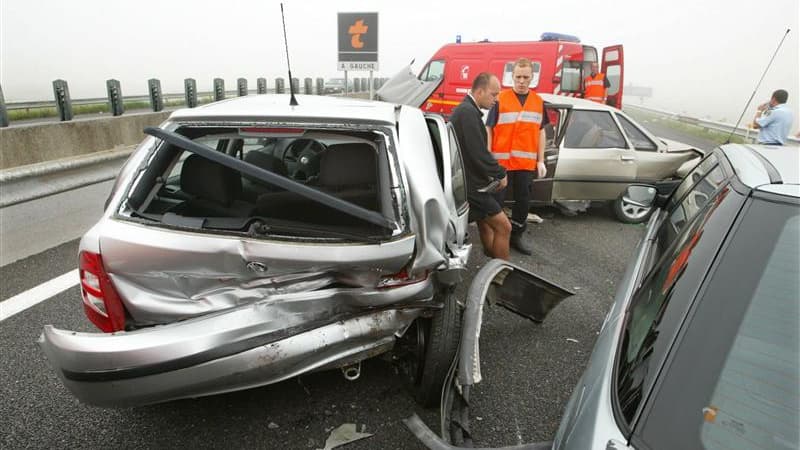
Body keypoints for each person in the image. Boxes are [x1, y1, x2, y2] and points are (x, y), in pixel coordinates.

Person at [486, 58, 548, 255]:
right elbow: (489, 128)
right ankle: (495, 236)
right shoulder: (500, 99)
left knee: (523, 201)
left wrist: (541, 159)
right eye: (518, 77)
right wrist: (488, 157)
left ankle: (517, 235)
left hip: (525, 163)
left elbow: (541, 132)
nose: (521, 81)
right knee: (497, 201)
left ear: (532, 78)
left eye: (525, 77)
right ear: (512, 77)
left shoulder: (538, 102)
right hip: (501, 163)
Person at [450, 72, 511, 260]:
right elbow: (478, 153)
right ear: (479, 91)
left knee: (485, 223)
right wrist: (500, 173)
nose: (496, 99)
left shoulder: (468, 110)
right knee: (503, 227)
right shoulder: (468, 113)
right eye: (493, 94)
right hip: (473, 186)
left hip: (468, 181)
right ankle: (502, 274)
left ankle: (492, 259)